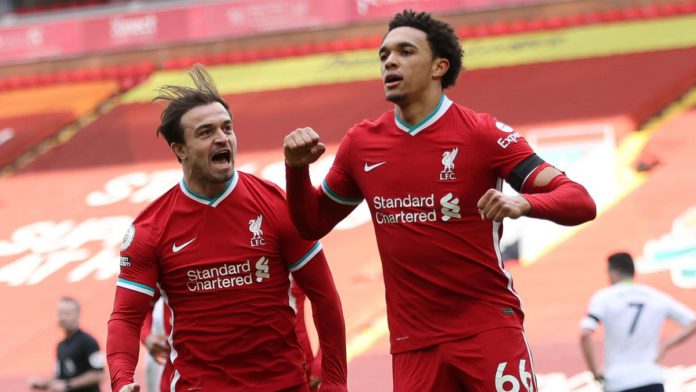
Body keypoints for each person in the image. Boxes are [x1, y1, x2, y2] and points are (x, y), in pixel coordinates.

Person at [283, 9, 596, 391]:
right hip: (412, 346)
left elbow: (579, 200)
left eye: (405, 51)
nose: (390, 61)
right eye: (383, 55)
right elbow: (311, 223)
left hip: (487, 331)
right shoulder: (361, 144)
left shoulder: (482, 134)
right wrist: (296, 170)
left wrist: (524, 203)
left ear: (439, 66)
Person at [107, 64, 347, 392]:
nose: (222, 138)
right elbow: (125, 317)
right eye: (206, 132)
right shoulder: (151, 228)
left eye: (227, 128)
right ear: (180, 150)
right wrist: (122, 381)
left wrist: (335, 381)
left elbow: (324, 296)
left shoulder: (276, 205)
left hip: (283, 385)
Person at [580, 252, 696, 392]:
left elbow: (585, 334)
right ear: (633, 272)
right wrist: (665, 346)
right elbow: (693, 322)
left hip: (618, 381)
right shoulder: (655, 296)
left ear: (612, 272)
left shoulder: (603, 297)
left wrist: (595, 373)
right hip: (650, 378)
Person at [29, 297, 104, 392]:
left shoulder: (88, 341)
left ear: (77, 315)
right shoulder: (60, 346)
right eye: (60, 313)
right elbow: (60, 378)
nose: (63, 318)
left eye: (67, 314)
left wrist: (68, 385)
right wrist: (44, 384)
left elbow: (99, 375)